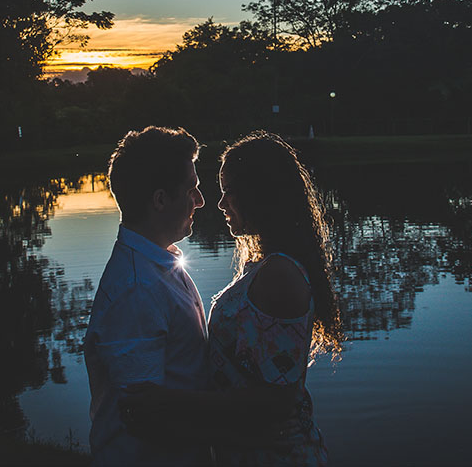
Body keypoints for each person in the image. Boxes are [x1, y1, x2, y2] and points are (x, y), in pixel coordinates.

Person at [119, 131, 343, 466]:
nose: (220, 204)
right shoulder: (266, 267)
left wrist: (168, 401)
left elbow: (277, 402)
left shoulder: (281, 275)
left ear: (258, 193)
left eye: (228, 192)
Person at [83, 126, 210, 465]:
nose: (200, 200)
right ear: (160, 200)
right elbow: (144, 413)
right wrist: (249, 424)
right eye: (191, 189)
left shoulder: (158, 262)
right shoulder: (136, 289)